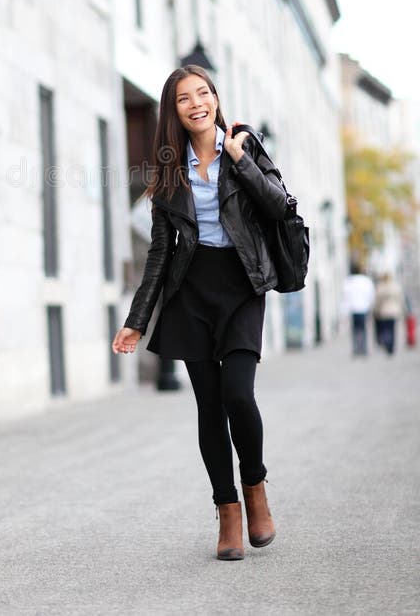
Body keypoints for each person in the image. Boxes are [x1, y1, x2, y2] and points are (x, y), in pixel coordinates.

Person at [112, 65, 289, 561]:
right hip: (190, 293)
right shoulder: (169, 170)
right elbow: (159, 253)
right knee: (209, 406)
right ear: (174, 111)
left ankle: (254, 488)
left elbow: (279, 208)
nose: (196, 103)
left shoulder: (244, 146)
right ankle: (227, 512)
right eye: (184, 98)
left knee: (237, 392)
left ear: (215, 98)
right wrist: (137, 319)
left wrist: (242, 161)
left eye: (203, 93)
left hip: (241, 285)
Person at [342, 264, 375, 356]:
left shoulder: (349, 281)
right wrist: (370, 305)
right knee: (363, 329)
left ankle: (356, 348)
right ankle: (363, 348)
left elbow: (346, 296)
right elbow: (371, 294)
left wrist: (345, 310)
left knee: (355, 330)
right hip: (364, 308)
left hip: (353, 309)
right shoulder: (366, 281)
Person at [373, 272, 405, 355]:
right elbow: (401, 299)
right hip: (394, 311)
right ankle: (391, 345)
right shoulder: (396, 287)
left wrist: (375, 310)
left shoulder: (381, 287)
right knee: (392, 329)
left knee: (386, 329)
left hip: (383, 312)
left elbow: (377, 301)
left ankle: (387, 343)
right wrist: (403, 309)